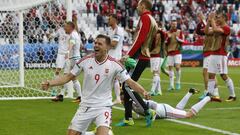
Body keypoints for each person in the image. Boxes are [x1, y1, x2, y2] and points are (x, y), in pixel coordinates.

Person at [41, 34, 150, 135]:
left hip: (103, 107)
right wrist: (50, 83)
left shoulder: (115, 65)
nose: (96, 45)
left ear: (107, 47)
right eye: (95, 43)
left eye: (100, 44)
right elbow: (68, 77)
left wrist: (143, 91)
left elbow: (130, 82)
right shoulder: (85, 61)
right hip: (85, 106)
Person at [116, 0, 158, 127]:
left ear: (143, 6)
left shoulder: (145, 17)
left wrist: (128, 54)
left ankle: (147, 110)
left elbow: (140, 38)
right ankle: (128, 118)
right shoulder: (153, 20)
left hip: (139, 56)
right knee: (126, 85)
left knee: (128, 86)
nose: (137, 7)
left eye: (139, 5)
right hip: (144, 55)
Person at [205, 11, 236, 102]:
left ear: (224, 18)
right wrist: (208, 21)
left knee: (223, 75)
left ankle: (232, 95)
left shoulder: (226, 28)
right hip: (214, 53)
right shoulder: (218, 27)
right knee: (211, 74)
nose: (217, 19)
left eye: (219, 17)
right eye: (217, 17)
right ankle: (210, 95)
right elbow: (207, 32)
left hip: (221, 54)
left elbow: (214, 30)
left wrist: (212, 20)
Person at [131, 88, 214, 119]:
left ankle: (208, 97)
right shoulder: (131, 102)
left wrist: (154, 114)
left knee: (188, 115)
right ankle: (190, 92)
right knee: (178, 109)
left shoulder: (133, 100)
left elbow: (152, 104)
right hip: (164, 108)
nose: (122, 100)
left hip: (164, 111)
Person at [52, 21, 82, 102]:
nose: (64, 28)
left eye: (66, 27)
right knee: (72, 77)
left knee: (68, 77)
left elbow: (72, 43)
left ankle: (78, 96)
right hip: (75, 58)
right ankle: (63, 95)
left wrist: (68, 52)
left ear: (70, 27)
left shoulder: (73, 35)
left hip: (74, 59)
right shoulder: (76, 34)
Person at [196, 12, 221, 101]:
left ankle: (208, 92)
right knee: (211, 74)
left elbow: (207, 31)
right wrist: (202, 21)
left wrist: (204, 19)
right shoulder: (209, 28)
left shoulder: (215, 29)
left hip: (211, 52)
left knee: (206, 72)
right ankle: (214, 93)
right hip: (208, 52)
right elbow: (199, 31)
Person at [108, 14, 125, 104]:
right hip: (111, 56)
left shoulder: (119, 30)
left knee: (115, 78)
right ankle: (118, 97)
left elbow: (114, 44)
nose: (108, 20)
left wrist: (105, 45)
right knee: (114, 78)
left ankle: (119, 97)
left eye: (109, 19)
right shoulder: (111, 30)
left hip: (115, 57)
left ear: (115, 20)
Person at [166, 18, 184, 91]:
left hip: (177, 52)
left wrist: (178, 39)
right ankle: (171, 85)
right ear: (171, 24)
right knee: (170, 68)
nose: (174, 25)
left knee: (177, 67)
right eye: (173, 24)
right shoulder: (168, 32)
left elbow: (183, 41)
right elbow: (165, 43)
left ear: (177, 25)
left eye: (175, 24)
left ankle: (178, 82)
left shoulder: (179, 32)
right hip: (170, 52)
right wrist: (168, 39)